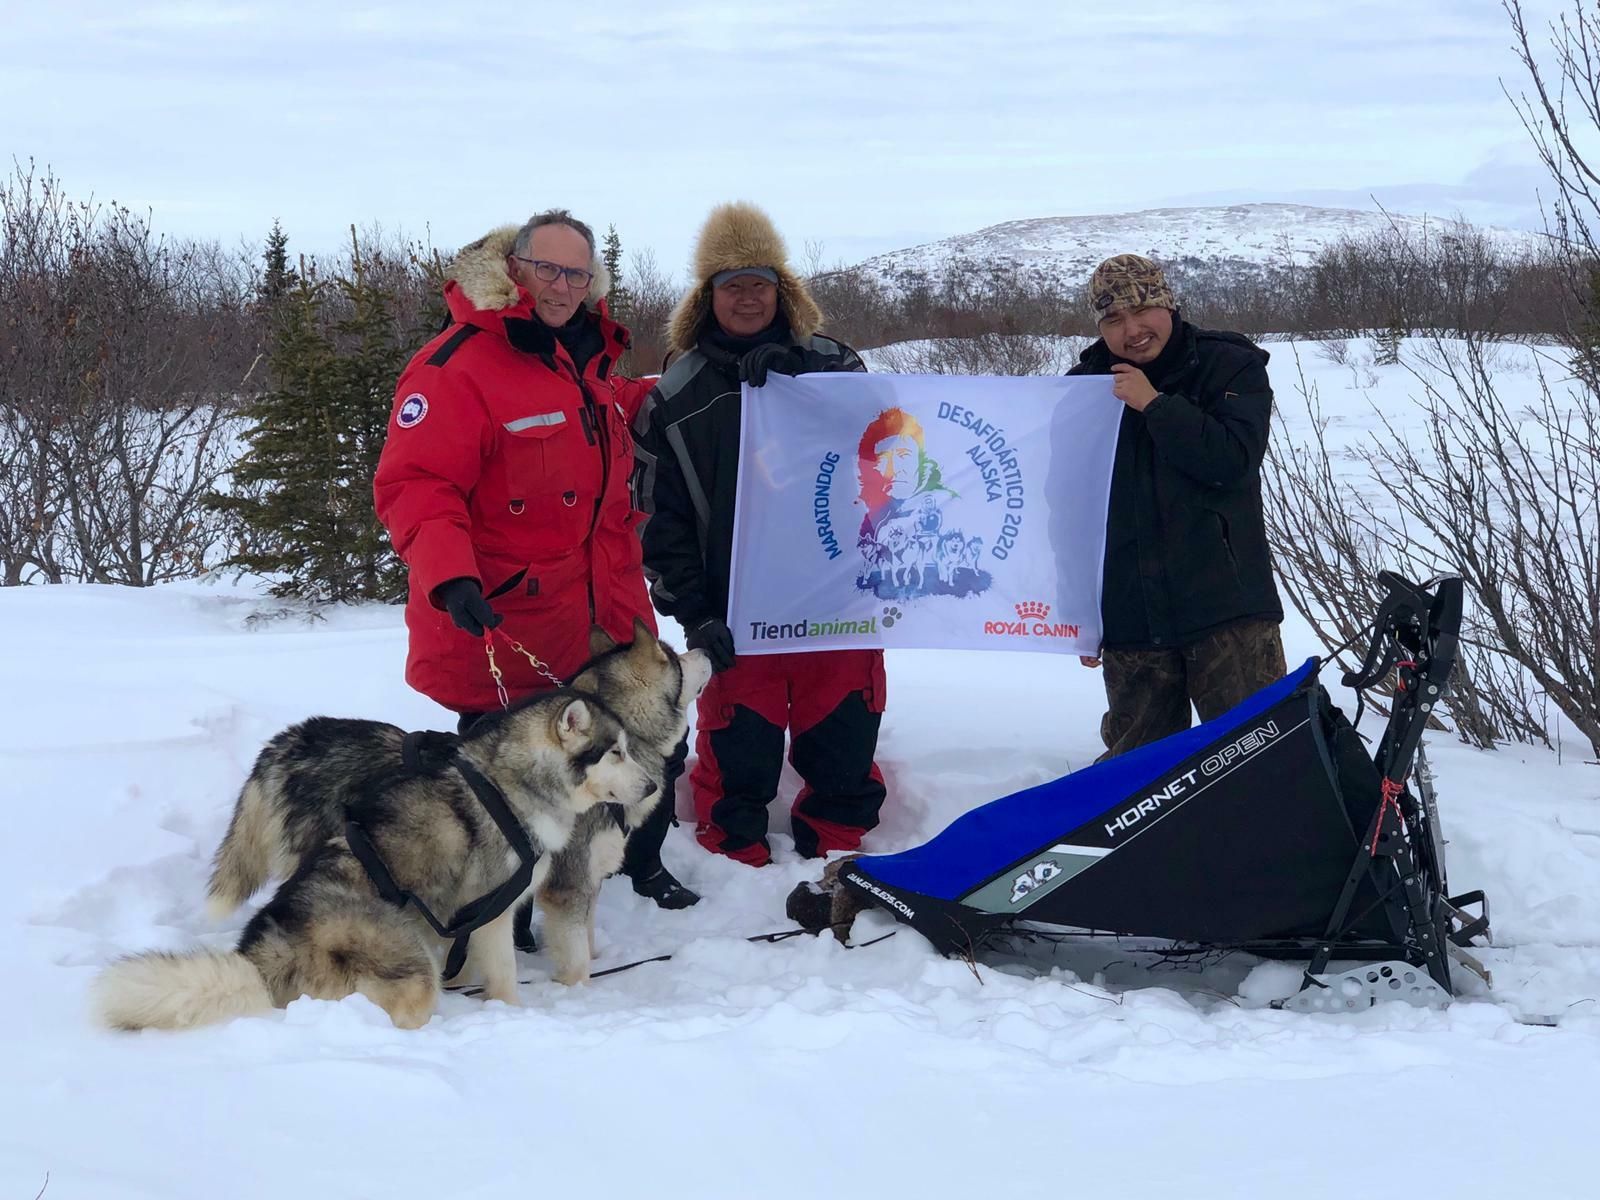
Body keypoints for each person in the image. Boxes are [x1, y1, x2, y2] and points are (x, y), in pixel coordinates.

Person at [373, 209, 698, 910]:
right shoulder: (454, 367)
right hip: (507, 616)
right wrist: (449, 574)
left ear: (591, 281)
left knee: (644, 738)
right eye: (545, 268)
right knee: (519, 775)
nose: (560, 285)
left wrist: (680, 388)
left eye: (575, 272)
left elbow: (606, 415)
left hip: (603, 604)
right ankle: (508, 896)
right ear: (513, 270)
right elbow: (417, 484)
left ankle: (641, 862)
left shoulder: (586, 360)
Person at [633, 202, 886, 866]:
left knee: (843, 740)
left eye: (759, 283)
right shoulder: (676, 396)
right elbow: (661, 523)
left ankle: (838, 854)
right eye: (731, 284)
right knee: (737, 753)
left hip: (837, 602)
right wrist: (695, 612)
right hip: (737, 612)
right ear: (707, 297)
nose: (747, 297)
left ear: (783, 291)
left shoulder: (835, 364)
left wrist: (804, 381)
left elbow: (887, 446)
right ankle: (731, 859)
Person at [1068, 253, 1286, 759]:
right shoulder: (1083, 387)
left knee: (1257, 757)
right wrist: (1077, 610)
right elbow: (1071, 508)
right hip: (1131, 615)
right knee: (1138, 771)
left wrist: (1156, 405)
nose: (1132, 330)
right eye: (1113, 320)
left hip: (1226, 608)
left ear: (1169, 305)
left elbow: (1231, 461)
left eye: (1143, 311)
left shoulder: (1229, 364)